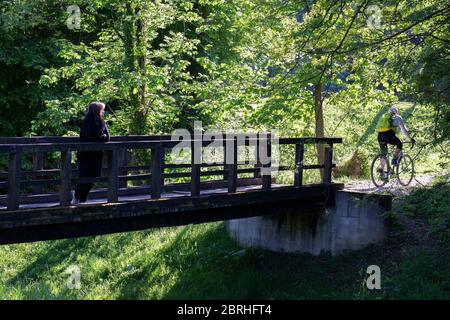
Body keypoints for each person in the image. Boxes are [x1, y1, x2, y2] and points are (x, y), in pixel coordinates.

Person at [71, 102, 110, 205]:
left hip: (96, 155)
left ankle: (82, 199)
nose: (103, 112)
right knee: (84, 177)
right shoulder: (87, 122)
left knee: (92, 178)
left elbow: (107, 137)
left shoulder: (101, 121)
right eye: (101, 109)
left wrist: (102, 138)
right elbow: (86, 138)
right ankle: (76, 197)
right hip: (86, 154)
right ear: (96, 110)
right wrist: (101, 138)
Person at [375, 106, 415, 174]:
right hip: (389, 135)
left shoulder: (384, 116)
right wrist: (410, 139)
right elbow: (404, 130)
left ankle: (382, 170)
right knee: (399, 144)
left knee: (384, 153)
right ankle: (394, 159)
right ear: (396, 112)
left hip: (380, 136)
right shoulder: (398, 117)